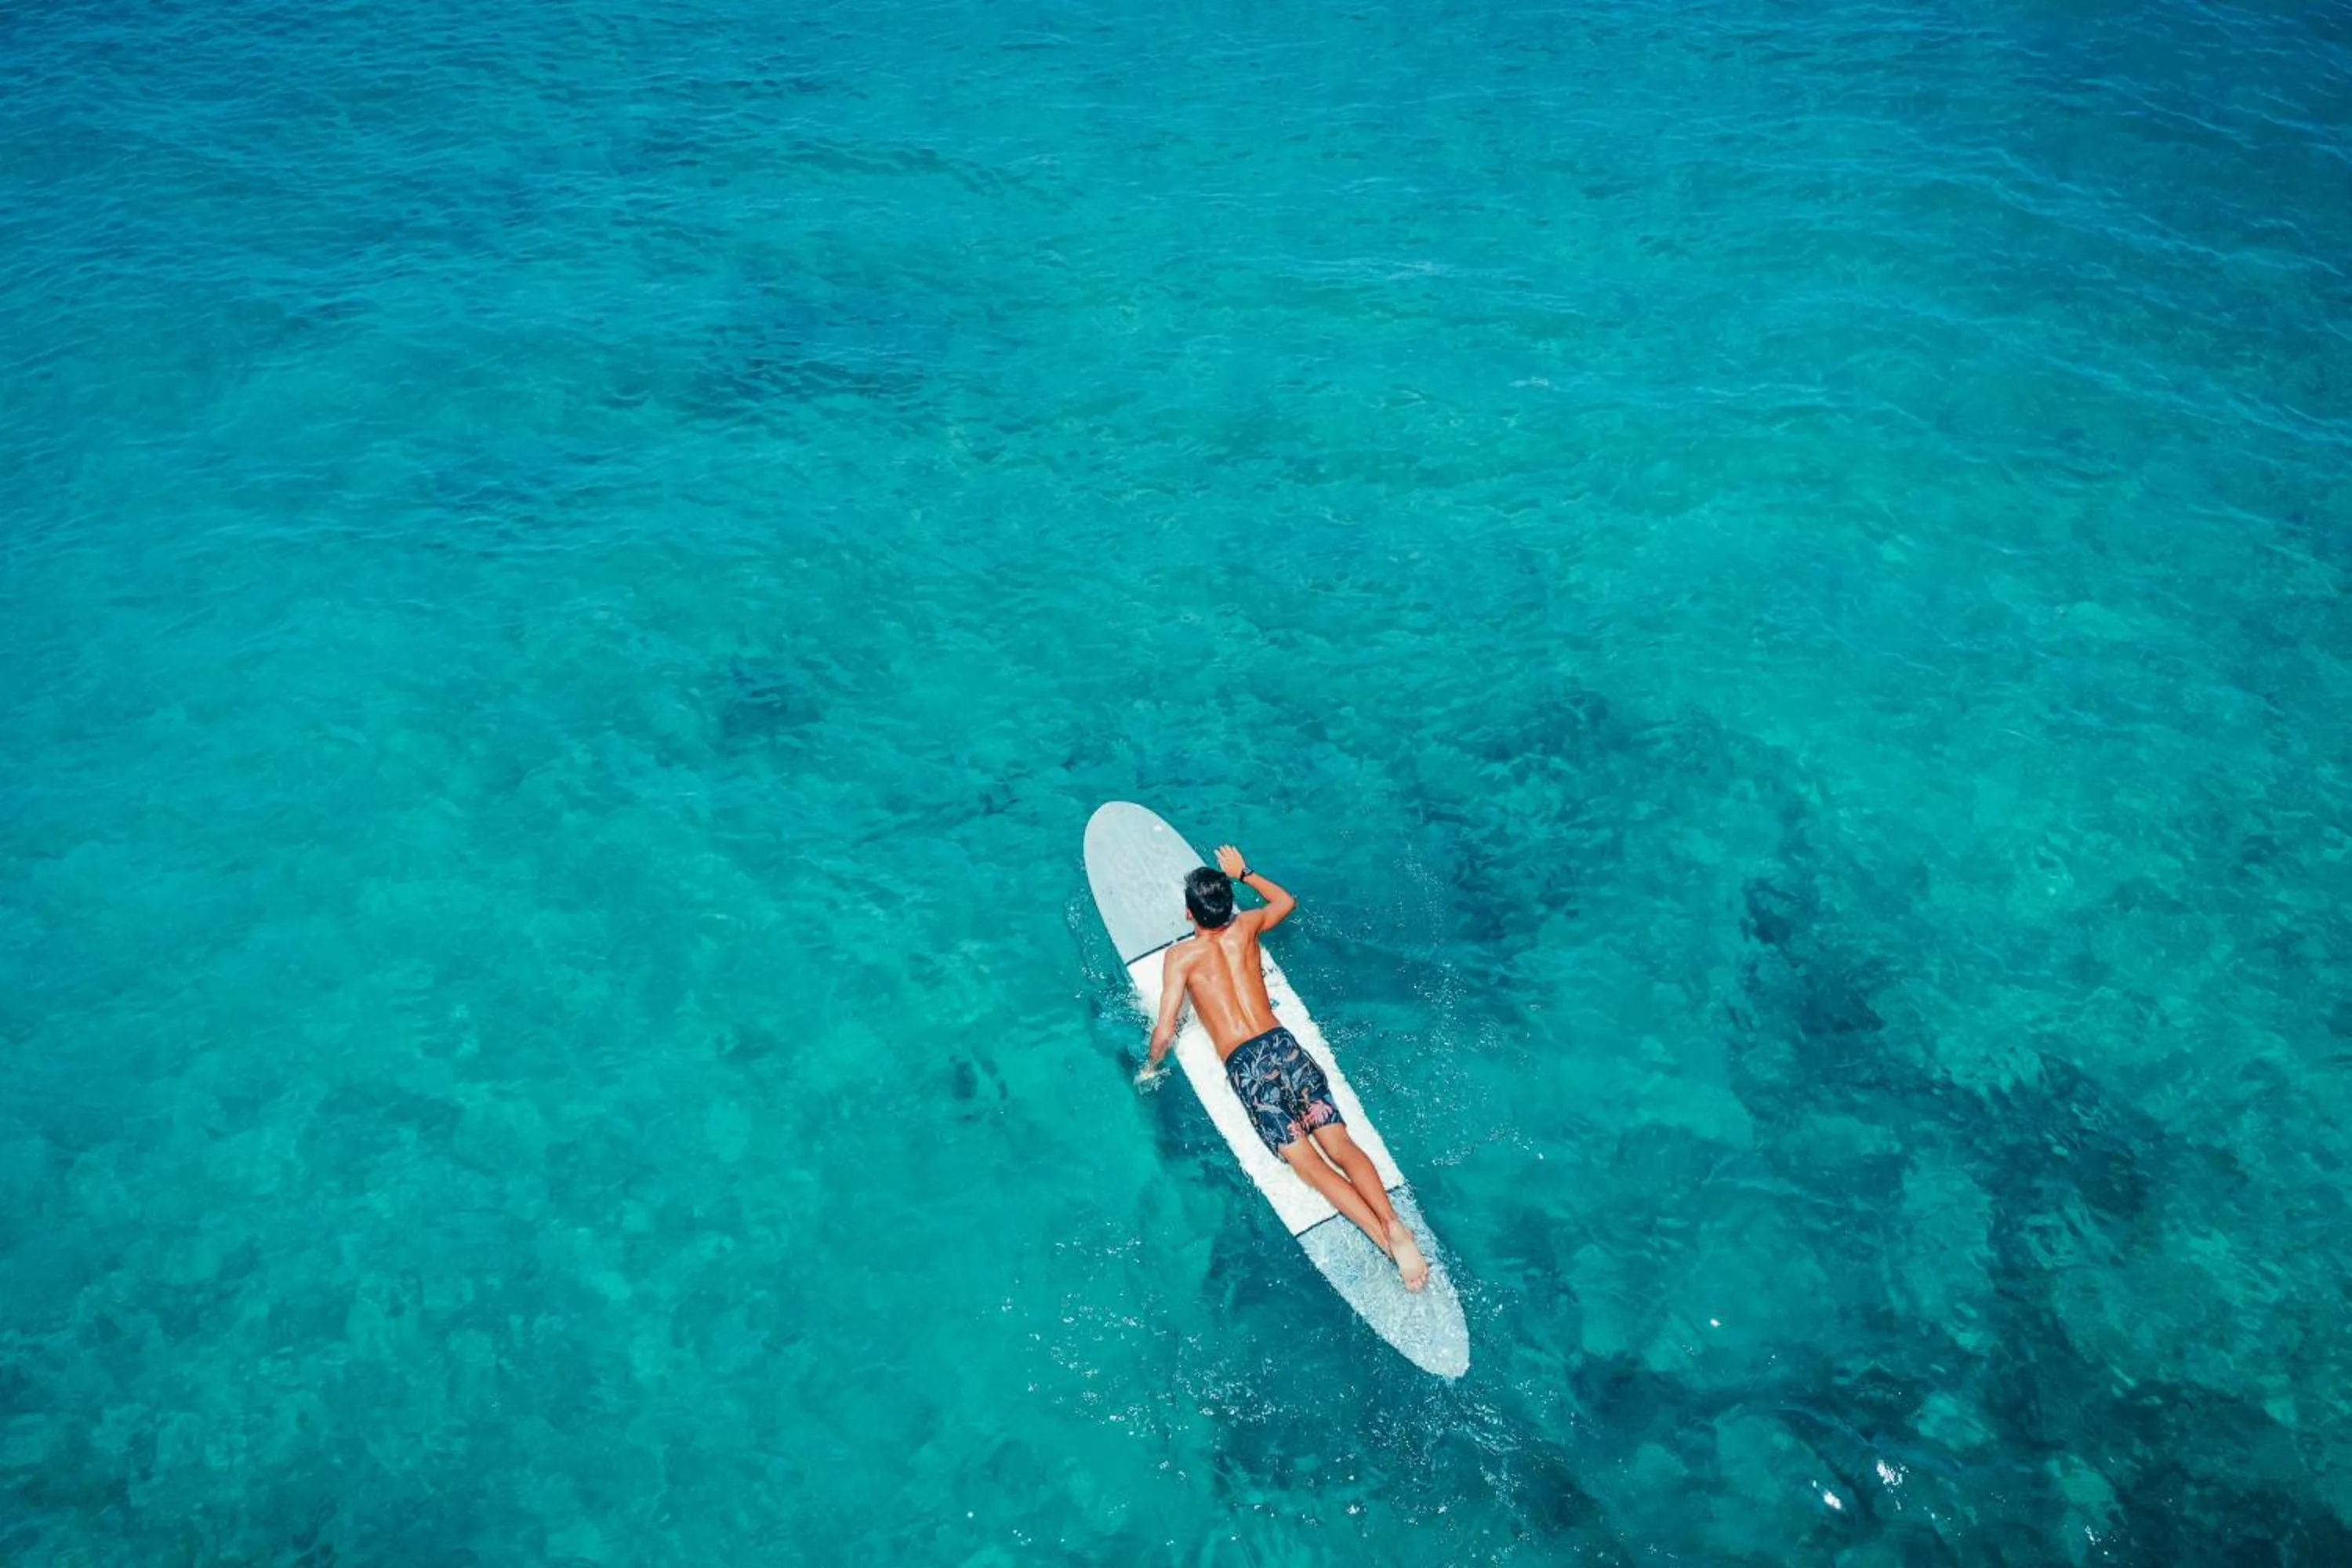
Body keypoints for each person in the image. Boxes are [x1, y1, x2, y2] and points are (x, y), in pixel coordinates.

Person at [1137, 845, 1430, 1291]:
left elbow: (1164, 1031)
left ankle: (1387, 1247)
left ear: (1189, 916)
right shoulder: (1247, 926)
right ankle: (1393, 1224)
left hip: (1248, 1066)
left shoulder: (1181, 959)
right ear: (1227, 905)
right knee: (1341, 1143)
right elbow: (1286, 902)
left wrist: (1151, 1066)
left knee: (1312, 1167)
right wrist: (1245, 872)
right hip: (1283, 1047)